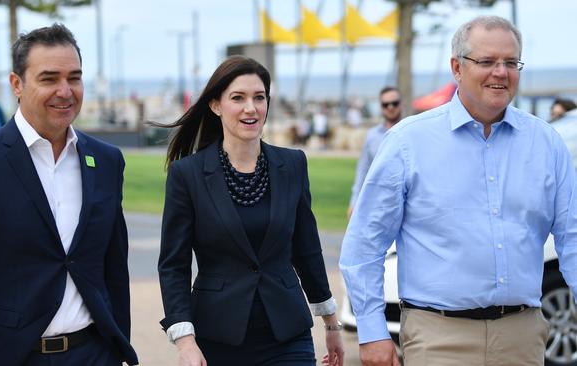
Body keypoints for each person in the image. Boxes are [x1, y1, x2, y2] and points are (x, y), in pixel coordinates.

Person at [340, 15, 577, 366]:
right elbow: (364, 244)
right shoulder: (408, 142)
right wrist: (373, 331)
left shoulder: (546, 143)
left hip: (523, 338)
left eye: (511, 62)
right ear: (457, 67)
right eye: (487, 61)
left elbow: (572, 237)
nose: (501, 72)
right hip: (438, 338)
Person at [0, 24, 138, 366]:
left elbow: (113, 266)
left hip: (92, 355)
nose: (65, 91)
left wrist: (118, 347)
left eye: (74, 77)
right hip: (4, 356)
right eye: (49, 78)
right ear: (17, 84)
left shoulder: (106, 160)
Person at [156, 55, 344, 366]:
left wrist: (331, 321)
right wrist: (185, 341)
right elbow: (173, 265)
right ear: (216, 105)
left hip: (288, 335)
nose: (250, 108)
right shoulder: (186, 174)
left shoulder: (293, 164)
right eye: (238, 98)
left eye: (259, 98)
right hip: (217, 337)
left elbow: (306, 249)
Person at [347, 87, 402, 218]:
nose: (390, 107)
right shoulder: (372, 136)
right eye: (385, 104)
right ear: (381, 107)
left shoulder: (411, 131)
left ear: (401, 104)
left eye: (394, 103)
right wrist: (354, 202)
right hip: (379, 205)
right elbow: (363, 170)